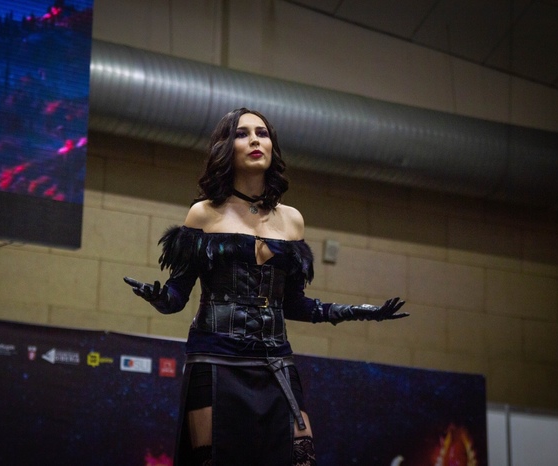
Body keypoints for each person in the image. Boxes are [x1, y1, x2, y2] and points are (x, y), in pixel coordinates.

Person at [124, 108, 408, 466]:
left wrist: (361, 312)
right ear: (226, 147)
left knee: (301, 456)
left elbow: (295, 304)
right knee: (212, 460)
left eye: (262, 133)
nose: (255, 140)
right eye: (243, 133)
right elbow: (177, 296)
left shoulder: (292, 220)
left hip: (276, 361)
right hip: (215, 359)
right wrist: (159, 297)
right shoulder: (204, 214)